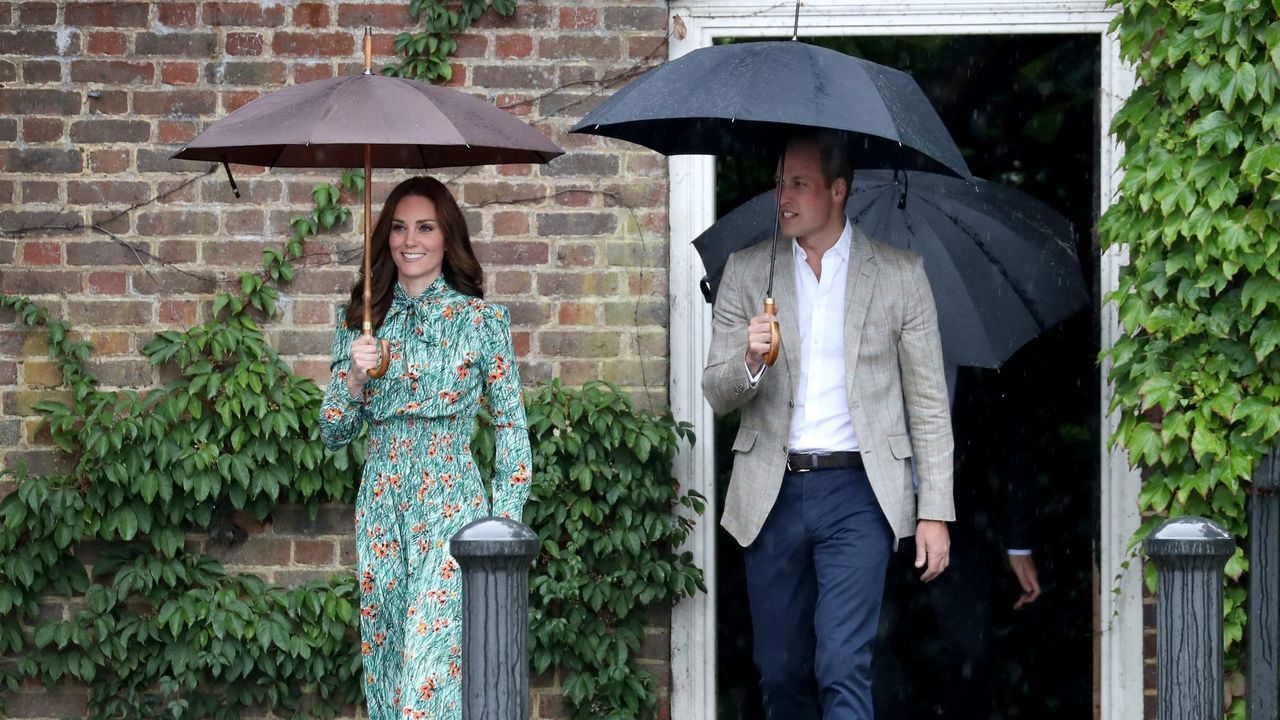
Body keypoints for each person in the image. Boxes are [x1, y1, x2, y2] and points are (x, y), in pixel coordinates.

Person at [702, 130, 955, 720]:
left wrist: (934, 511)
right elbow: (716, 393)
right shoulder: (746, 272)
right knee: (783, 672)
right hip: (773, 491)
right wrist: (748, 360)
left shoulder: (899, 275)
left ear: (838, 190)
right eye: (779, 183)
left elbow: (928, 402)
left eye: (799, 184)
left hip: (860, 494)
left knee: (842, 666)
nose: (782, 197)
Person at [319, 176, 532, 720]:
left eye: (425, 226)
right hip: (382, 507)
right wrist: (354, 379)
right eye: (397, 227)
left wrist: (501, 530)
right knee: (389, 668)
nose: (409, 240)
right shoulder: (360, 325)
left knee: (430, 676)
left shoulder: (483, 323)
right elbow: (333, 432)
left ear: (447, 237)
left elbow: (511, 429)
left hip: (451, 509)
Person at [874, 365, 1043, 719]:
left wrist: (1019, 545)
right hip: (875, 514)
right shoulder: (869, 349)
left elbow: (1014, 439)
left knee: (973, 652)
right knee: (871, 646)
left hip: (960, 518)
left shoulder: (976, 359)